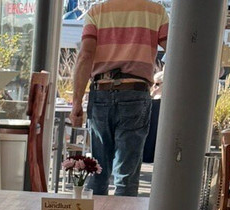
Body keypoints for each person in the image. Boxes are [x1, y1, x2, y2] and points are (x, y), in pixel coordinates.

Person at [71, 0, 168, 197]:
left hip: (101, 91)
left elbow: (85, 56)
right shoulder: (156, 11)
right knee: (127, 174)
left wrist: (76, 102)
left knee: (97, 168)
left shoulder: (97, 11)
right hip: (136, 93)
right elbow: (176, 51)